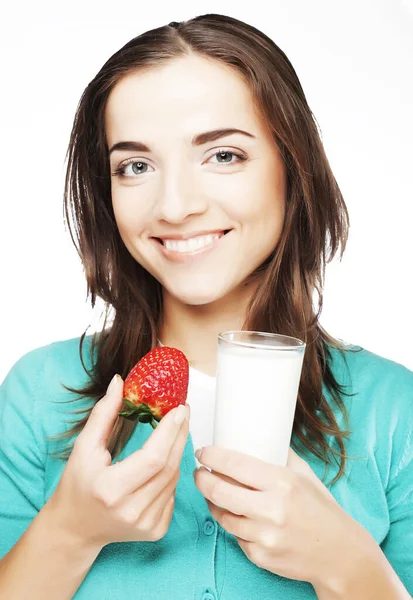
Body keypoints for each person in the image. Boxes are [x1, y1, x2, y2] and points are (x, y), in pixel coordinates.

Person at [0, 12, 412, 600]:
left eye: (222, 155)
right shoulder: (40, 393)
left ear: (291, 169)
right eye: (135, 166)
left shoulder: (394, 413)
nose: (174, 206)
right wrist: (70, 530)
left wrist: (348, 565)